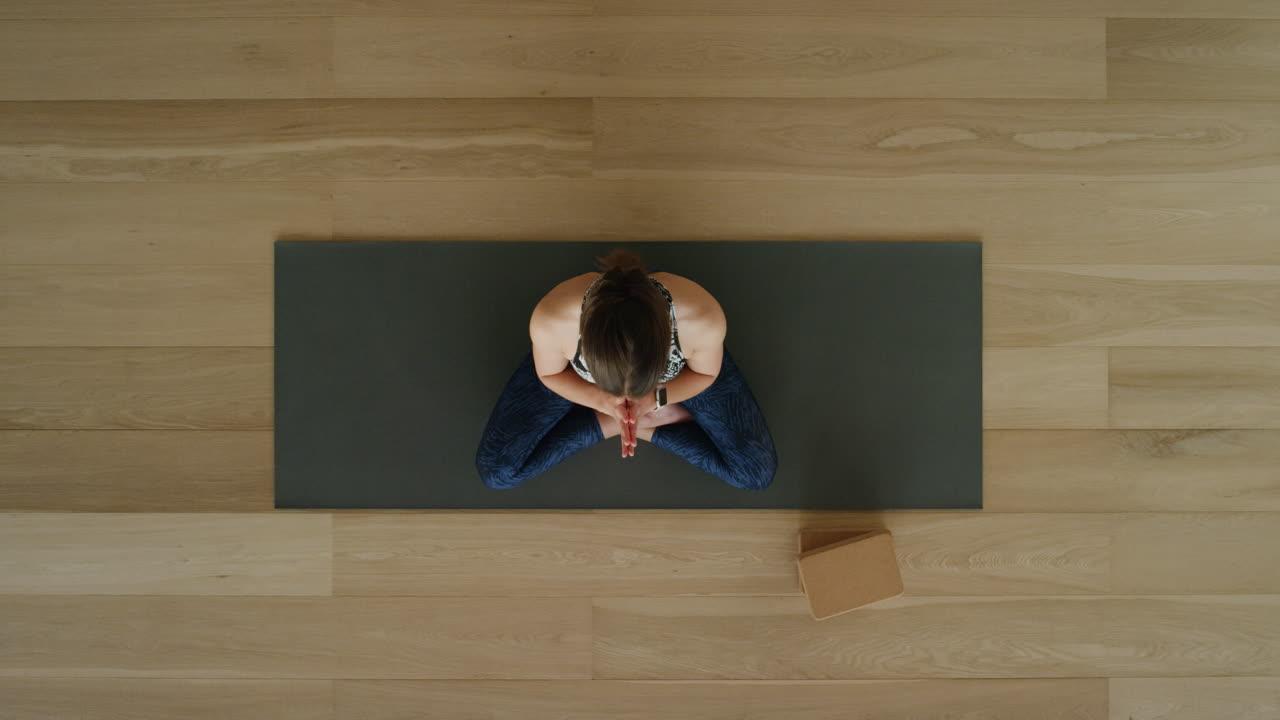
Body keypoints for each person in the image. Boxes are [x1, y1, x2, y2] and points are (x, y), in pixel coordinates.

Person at [475, 247, 778, 491]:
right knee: (498, 472)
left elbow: (706, 374)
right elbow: (550, 374)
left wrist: (656, 399)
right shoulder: (553, 321)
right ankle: (626, 422)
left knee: (754, 474)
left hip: (679, 377)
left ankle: (645, 421)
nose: (625, 395)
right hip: (576, 378)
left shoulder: (701, 320)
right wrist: (602, 403)